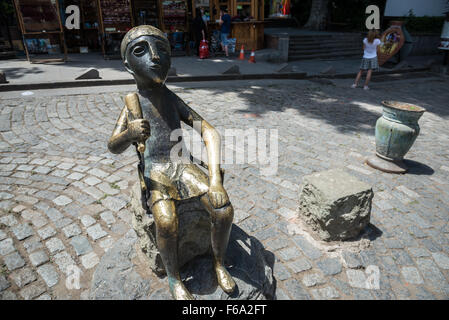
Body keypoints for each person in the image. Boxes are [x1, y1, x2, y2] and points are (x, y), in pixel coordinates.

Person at [108, 25, 236, 300]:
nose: (154, 57)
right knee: (165, 223)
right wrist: (129, 133)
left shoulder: (170, 98)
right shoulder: (133, 104)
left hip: (183, 166)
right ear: (128, 65)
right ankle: (174, 277)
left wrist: (214, 179)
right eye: (141, 51)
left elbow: (209, 131)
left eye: (162, 51)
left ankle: (218, 262)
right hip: (156, 171)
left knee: (223, 210)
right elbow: (113, 145)